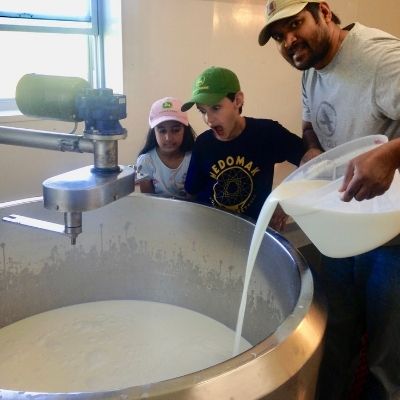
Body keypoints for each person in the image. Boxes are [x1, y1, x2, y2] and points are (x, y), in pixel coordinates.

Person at [258, 1, 400, 399]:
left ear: (324, 11)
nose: (289, 41)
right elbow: (310, 123)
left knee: (387, 360)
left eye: (296, 25)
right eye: (279, 36)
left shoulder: (380, 59)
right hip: (343, 228)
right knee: (334, 338)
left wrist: (389, 155)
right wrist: (313, 155)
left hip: (392, 237)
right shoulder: (311, 69)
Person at [181, 66, 304, 228]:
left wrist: (285, 201)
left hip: (254, 230)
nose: (209, 119)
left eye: (216, 108)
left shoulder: (267, 133)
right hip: (213, 229)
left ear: (237, 101)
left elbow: (310, 162)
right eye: (202, 111)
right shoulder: (203, 144)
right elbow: (192, 192)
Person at [136, 97, 196, 199]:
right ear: (153, 132)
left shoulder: (193, 158)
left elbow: (194, 198)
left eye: (176, 130)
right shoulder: (146, 161)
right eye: (162, 131)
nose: (168, 138)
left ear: (185, 130)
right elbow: (148, 200)